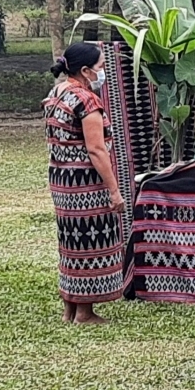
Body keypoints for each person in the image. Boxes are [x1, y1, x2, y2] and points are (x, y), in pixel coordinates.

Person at [43, 43, 126, 325]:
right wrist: (114, 190)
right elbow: (96, 149)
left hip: (62, 178)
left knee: (70, 241)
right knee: (90, 241)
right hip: (86, 182)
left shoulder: (57, 93)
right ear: (86, 71)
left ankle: (70, 308)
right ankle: (85, 312)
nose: (102, 73)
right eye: (101, 68)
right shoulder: (87, 100)